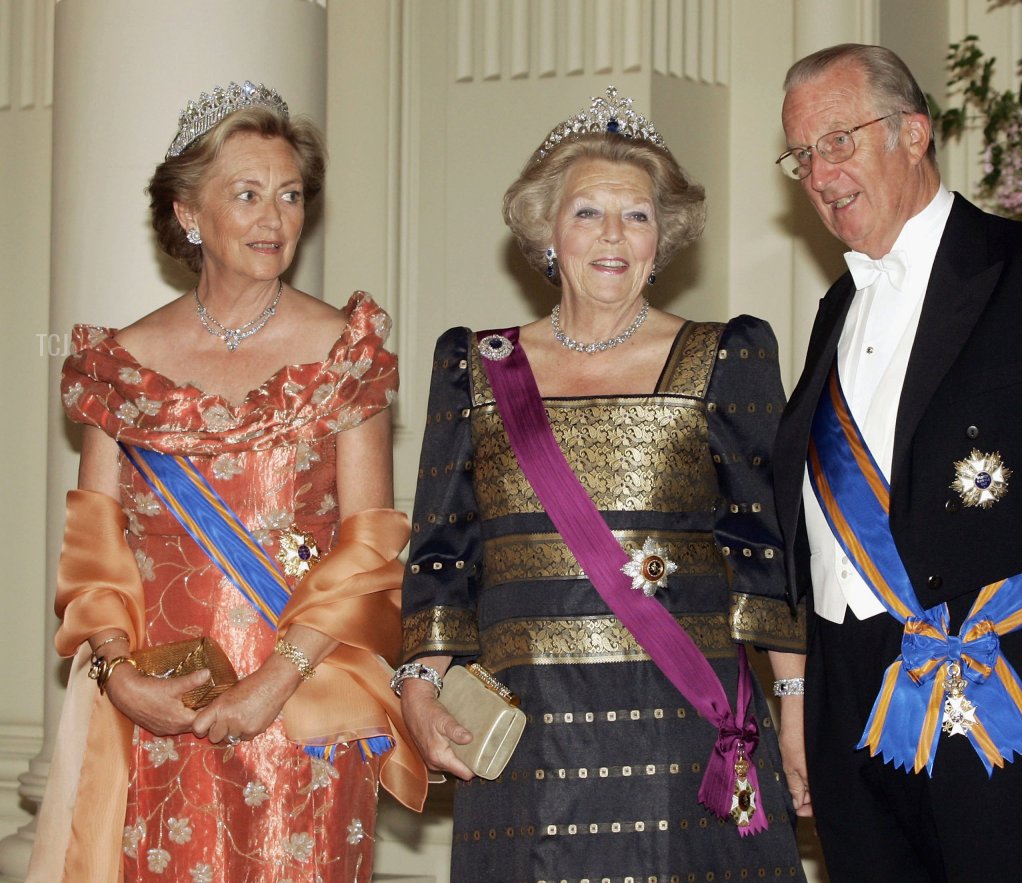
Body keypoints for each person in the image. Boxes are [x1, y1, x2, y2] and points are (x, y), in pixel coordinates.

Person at [771, 44, 1022, 882]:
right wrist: (803, 692)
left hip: (1000, 696)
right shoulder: (839, 305)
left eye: (838, 141)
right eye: (801, 155)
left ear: (913, 133)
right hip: (851, 697)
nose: (819, 174)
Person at [397, 87, 807, 880]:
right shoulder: (475, 367)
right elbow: (443, 553)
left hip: (683, 727)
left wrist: (794, 707)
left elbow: (767, 553)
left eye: (637, 214)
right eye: (588, 212)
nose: (613, 234)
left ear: (662, 237)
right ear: (548, 231)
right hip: (525, 734)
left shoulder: (727, 355)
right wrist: (420, 684)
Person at [29, 81, 425, 883]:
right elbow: (95, 549)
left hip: (303, 711)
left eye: (290, 195)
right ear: (187, 212)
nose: (275, 218)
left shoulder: (342, 353)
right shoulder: (121, 365)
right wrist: (120, 676)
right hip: (160, 711)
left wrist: (272, 685)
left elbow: (370, 547)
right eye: (247, 194)